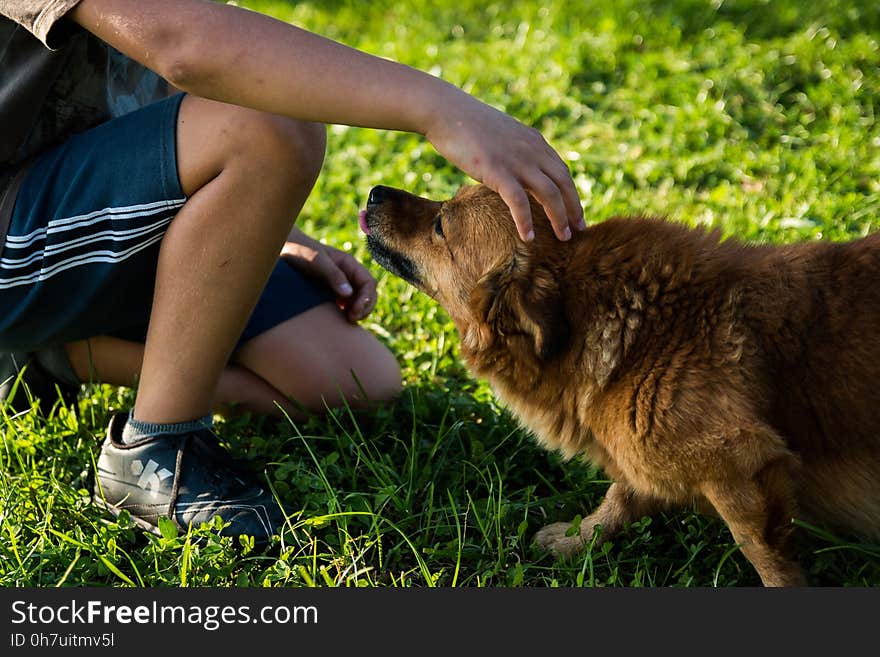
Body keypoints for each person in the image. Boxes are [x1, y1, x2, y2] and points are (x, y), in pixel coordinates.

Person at [0, 0, 584, 545]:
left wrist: (263, 227)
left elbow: (154, 83)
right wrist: (443, 109)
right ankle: (155, 449)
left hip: (79, 210)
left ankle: (52, 355)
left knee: (350, 381)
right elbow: (185, 45)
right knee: (272, 125)